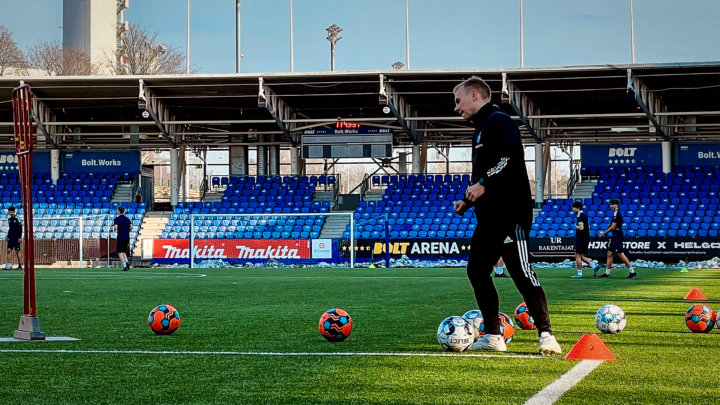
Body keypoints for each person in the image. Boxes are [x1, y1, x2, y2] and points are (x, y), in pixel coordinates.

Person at [452, 76, 561, 355]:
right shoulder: (480, 129)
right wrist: (468, 200)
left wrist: (484, 182)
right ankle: (493, 335)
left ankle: (547, 334)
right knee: (477, 270)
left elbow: (511, 159)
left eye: (458, 100)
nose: (456, 107)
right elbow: (487, 174)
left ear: (474, 95)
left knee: (521, 273)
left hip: (511, 214)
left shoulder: (498, 120)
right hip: (489, 216)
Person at [595, 199, 636, 278]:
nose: (612, 206)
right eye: (611, 204)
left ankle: (632, 271)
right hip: (615, 236)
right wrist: (609, 226)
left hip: (618, 235)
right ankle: (607, 273)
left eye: (613, 204)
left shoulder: (617, 213)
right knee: (609, 253)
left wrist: (603, 233)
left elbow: (613, 227)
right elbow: (612, 225)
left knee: (620, 254)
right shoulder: (615, 214)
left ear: (617, 204)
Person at [571, 201, 593, 278]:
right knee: (581, 255)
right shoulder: (585, 215)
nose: (573, 209)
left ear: (578, 208)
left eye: (574, 207)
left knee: (577, 255)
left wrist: (576, 226)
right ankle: (593, 265)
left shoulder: (580, 216)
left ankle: (579, 273)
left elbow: (581, 228)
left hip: (581, 238)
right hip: (586, 237)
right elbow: (588, 227)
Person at [112, 206, 133, 272]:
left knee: (120, 252)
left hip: (121, 237)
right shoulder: (127, 219)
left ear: (118, 211)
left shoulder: (117, 219)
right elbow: (131, 227)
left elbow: (115, 227)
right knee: (123, 251)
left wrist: (114, 229)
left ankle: (124, 266)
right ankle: (127, 263)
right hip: (127, 237)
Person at [5, 206, 22, 271]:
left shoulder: (18, 219)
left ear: (14, 212)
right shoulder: (9, 219)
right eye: (9, 212)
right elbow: (10, 229)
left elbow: (20, 229)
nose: (10, 213)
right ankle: (9, 265)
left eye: (11, 212)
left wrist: (20, 237)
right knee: (8, 250)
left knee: (17, 251)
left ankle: (20, 266)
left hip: (16, 237)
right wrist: (8, 236)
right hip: (11, 237)